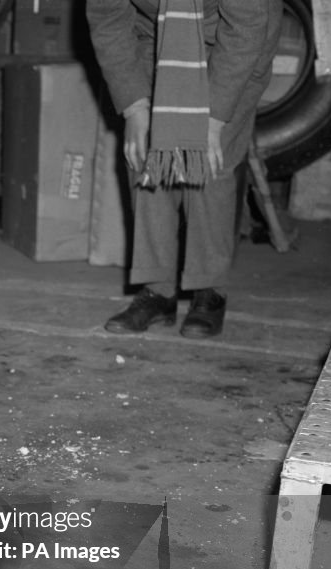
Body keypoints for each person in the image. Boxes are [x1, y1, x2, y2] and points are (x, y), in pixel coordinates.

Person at [86, 0, 283, 338]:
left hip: (237, 40)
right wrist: (135, 107)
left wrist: (214, 119)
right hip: (153, 36)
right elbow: (108, 19)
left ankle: (210, 291)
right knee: (148, 154)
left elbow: (247, 28)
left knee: (211, 161)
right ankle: (158, 291)